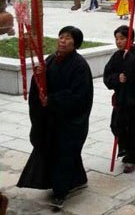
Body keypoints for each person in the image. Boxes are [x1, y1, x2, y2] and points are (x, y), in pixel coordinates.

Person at [17, 26, 93, 210]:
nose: (62, 40)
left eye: (68, 38)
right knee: (58, 152)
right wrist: (38, 76)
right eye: (61, 36)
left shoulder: (80, 66)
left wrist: (52, 100)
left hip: (69, 120)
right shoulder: (51, 59)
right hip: (51, 118)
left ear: (75, 43)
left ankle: (60, 192)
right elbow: (42, 85)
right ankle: (78, 179)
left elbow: (79, 96)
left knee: (65, 154)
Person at [103, 26, 135, 173]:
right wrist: (117, 78)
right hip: (121, 98)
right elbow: (107, 75)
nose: (119, 42)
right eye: (117, 39)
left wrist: (129, 61)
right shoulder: (117, 56)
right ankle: (125, 149)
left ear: (130, 38)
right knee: (116, 125)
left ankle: (133, 158)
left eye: (122, 38)